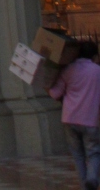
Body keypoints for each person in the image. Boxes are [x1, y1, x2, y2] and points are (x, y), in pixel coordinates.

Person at [48, 40, 100, 190]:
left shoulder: (68, 69)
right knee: (94, 152)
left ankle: (84, 185)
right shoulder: (97, 71)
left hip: (69, 118)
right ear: (94, 56)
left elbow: (55, 93)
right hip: (90, 119)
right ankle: (92, 178)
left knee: (78, 155)